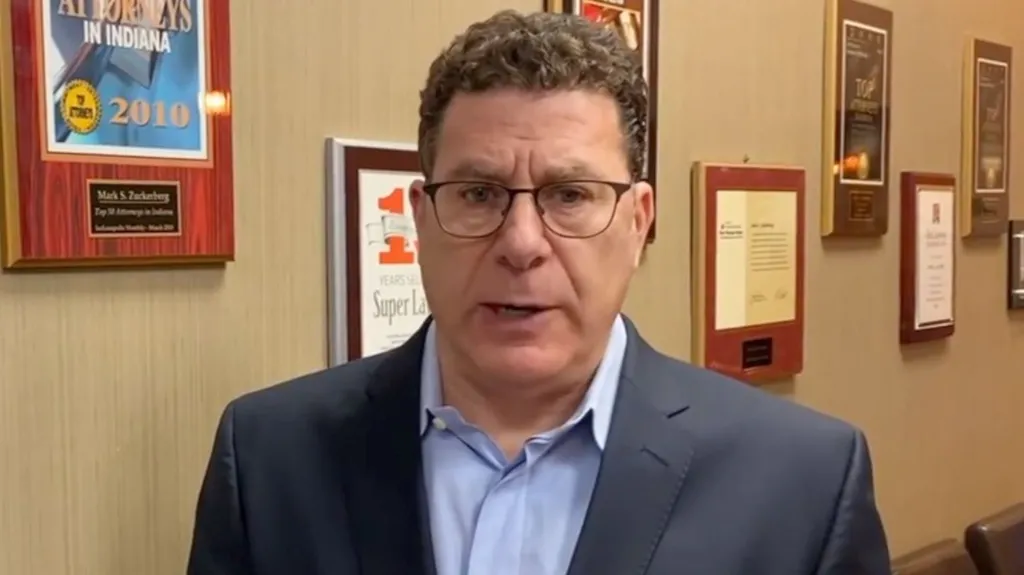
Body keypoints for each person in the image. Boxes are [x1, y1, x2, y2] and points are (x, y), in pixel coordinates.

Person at [186, 9, 891, 575]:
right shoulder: (270, 458)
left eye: (571, 194)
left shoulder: (803, 482)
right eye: (478, 193)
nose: (521, 243)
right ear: (420, 218)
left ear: (638, 222)